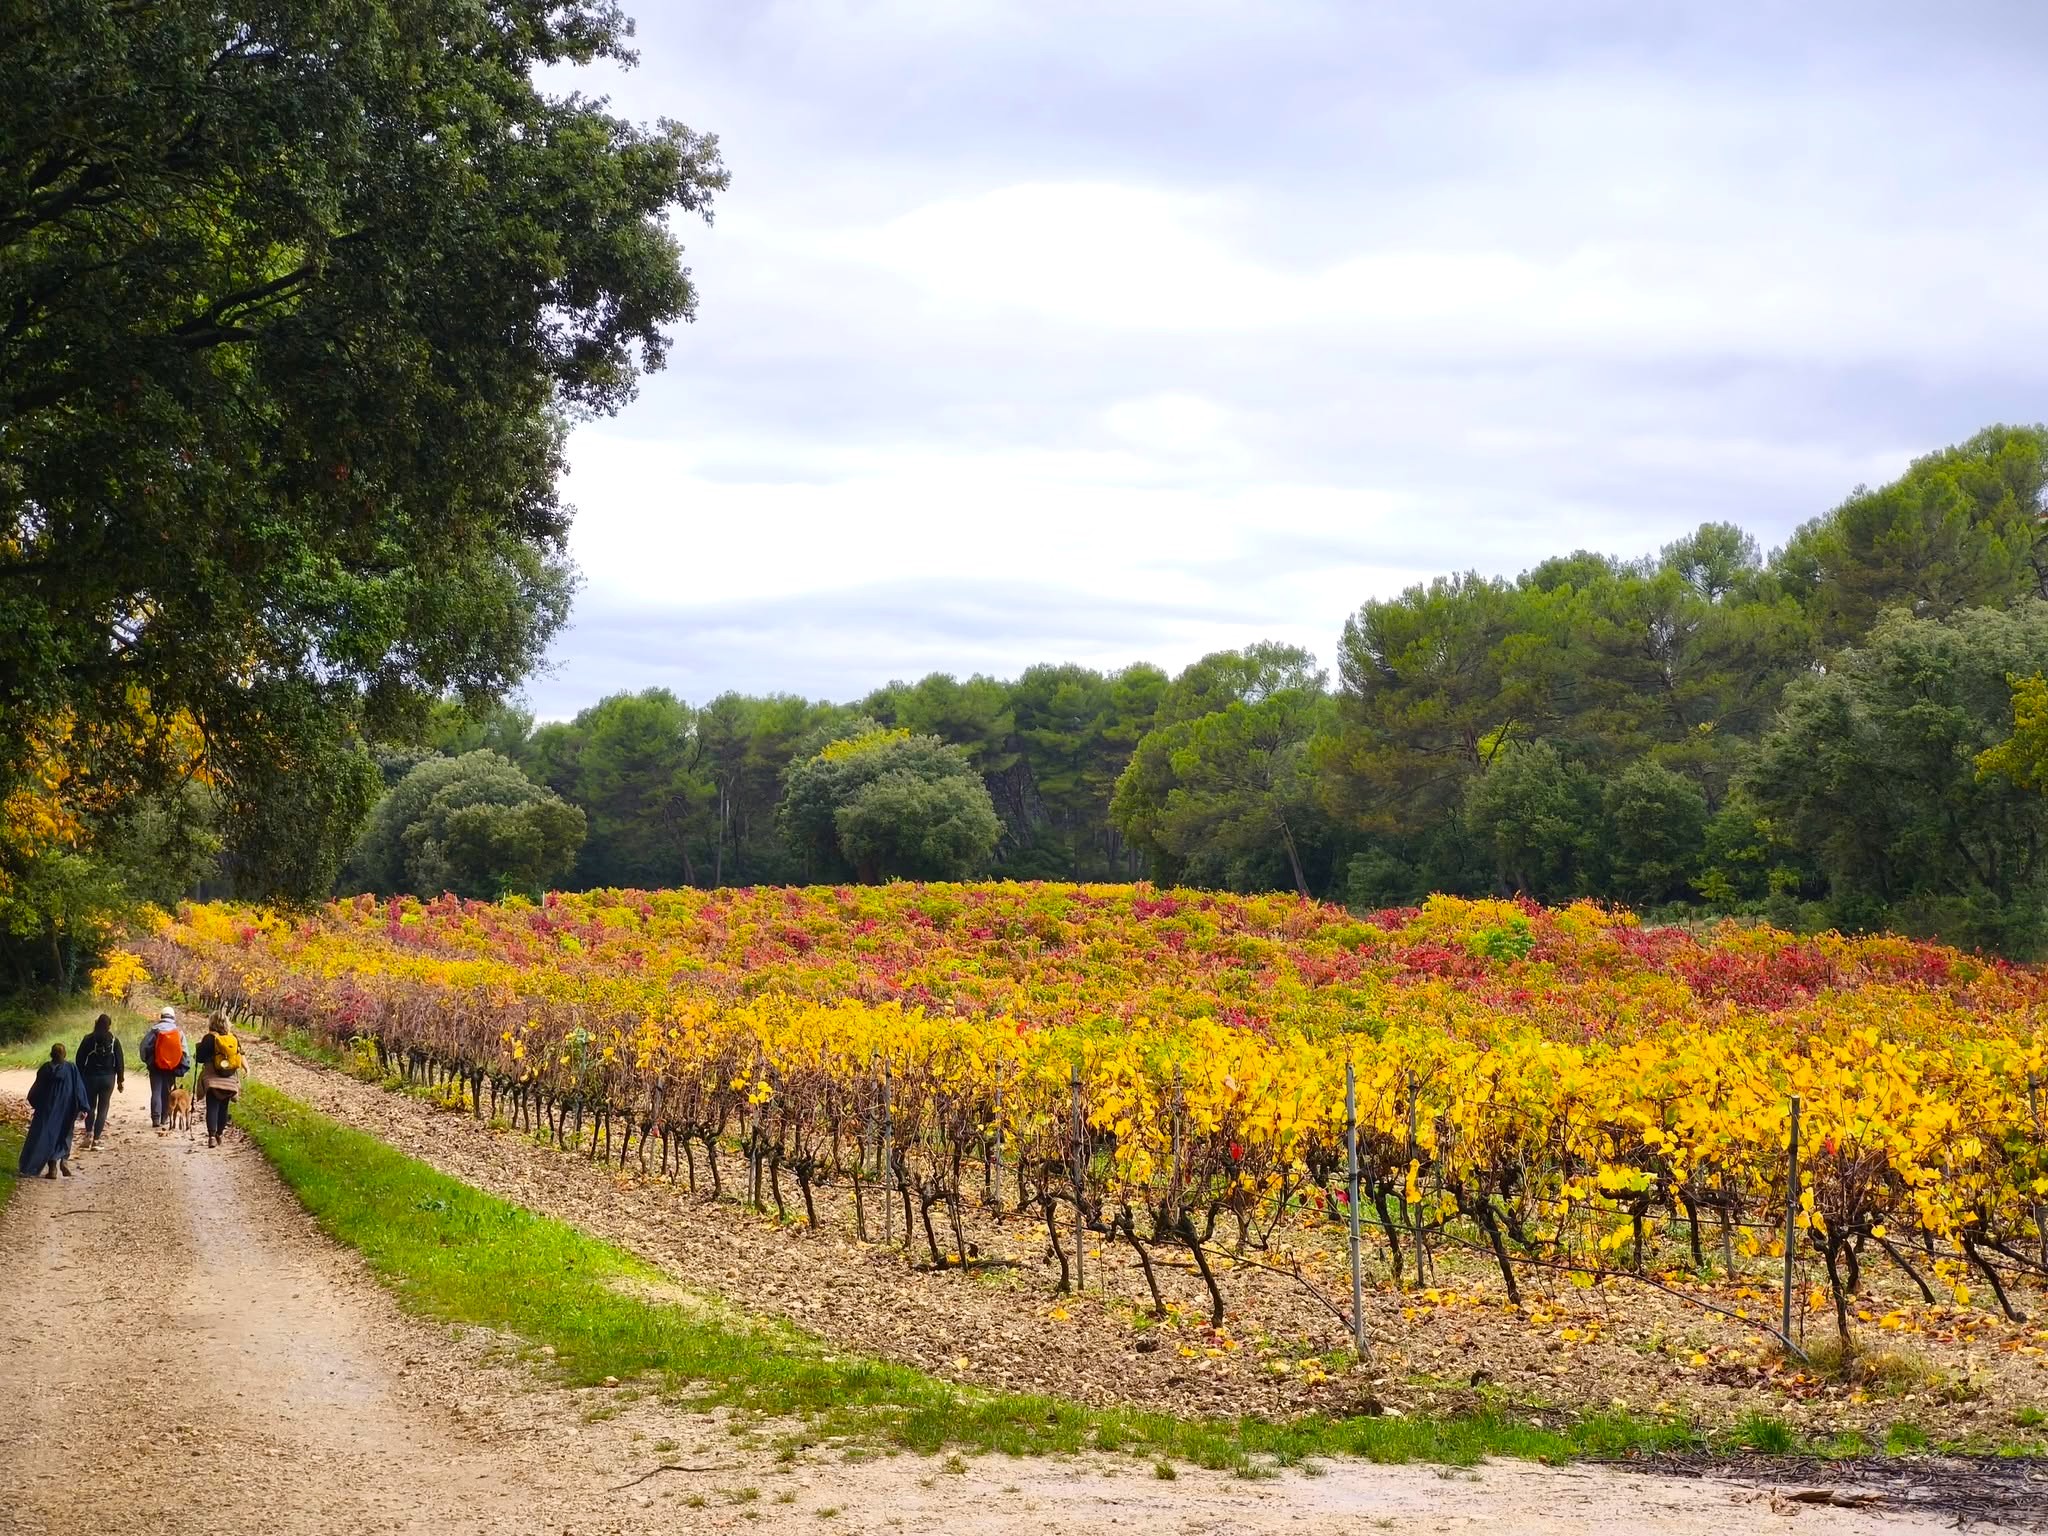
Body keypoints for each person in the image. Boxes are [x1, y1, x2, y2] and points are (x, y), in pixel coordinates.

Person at [17, 1043, 90, 1179]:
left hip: (47, 1109)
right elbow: (79, 1088)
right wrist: (83, 1106)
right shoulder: (71, 1069)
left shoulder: (45, 1069)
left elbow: (36, 1090)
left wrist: (37, 1105)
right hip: (67, 1108)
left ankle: (52, 1170)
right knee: (64, 1134)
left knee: (46, 1136)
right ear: (65, 1055)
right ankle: (64, 1161)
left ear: (51, 1054)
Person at [74, 1013, 124, 1150]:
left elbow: (79, 1060)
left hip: (90, 1077)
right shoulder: (114, 1041)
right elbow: (120, 1062)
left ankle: (88, 1134)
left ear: (96, 1023)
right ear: (109, 1026)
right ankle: (96, 1140)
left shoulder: (88, 1039)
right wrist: (120, 1080)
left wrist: (80, 1077)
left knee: (90, 1106)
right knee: (103, 1108)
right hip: (108, 1078)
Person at [193, 1016, 244, 1148]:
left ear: (212, 1023)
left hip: (212, 1079)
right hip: (229, 1080)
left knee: (212, 1106)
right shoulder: (233, 1038)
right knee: (224, 1107)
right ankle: (220, 1134)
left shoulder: (209, 1038)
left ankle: (211, 1137)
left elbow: (199, 1058)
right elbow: (239, 1055)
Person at [138, 1005, 188, 1131]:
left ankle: (155, 1118)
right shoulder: (178, 1032)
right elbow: (185, 1051)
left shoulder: (154, 1030)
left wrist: (146, 1060)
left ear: (161, 1016)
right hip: (172, 1067)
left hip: (155, 1065)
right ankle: (164, 1118)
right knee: (167, 1092)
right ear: (173, 1017)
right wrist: (183, 1066)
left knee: (155, 1091)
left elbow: (143, 1047)